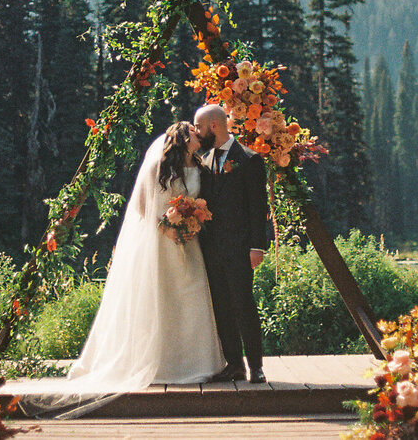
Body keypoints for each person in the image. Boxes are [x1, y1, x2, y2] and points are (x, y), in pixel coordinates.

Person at [58, 121, 225, 397]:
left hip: (189, 243)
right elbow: (141, 206)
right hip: (161, 243)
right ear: (182, 137)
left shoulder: (199, 166)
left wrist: (191, 221)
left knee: (191, 295)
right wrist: (167, 227)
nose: (198, 134)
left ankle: (194, 362)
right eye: (193, 131)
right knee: (161, 297)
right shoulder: (158, 167)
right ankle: (160, 365)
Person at [193, 103, 269, 384]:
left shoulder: (249, 159)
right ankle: (234, 364)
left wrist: (257, 246)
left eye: (199, 127)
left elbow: (257, 207)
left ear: (214, 126)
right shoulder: (206, 159)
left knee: (244, 305)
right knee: (221, 307)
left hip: (240, 248)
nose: (197, 133)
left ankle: (256, 366)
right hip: (211, 248)